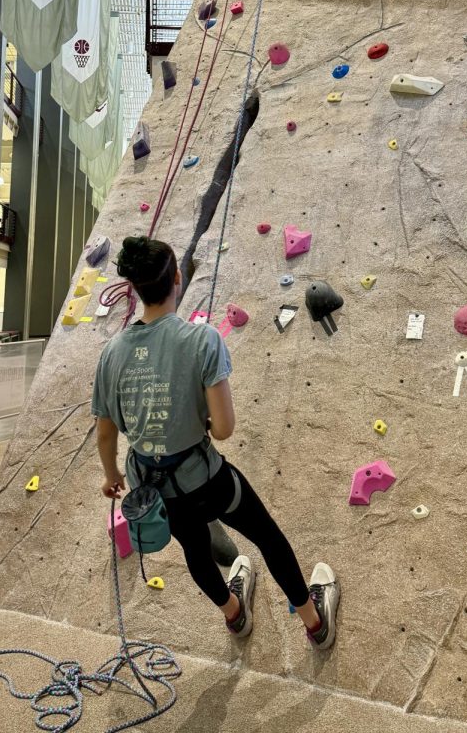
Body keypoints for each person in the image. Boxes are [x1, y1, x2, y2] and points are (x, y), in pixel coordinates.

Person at [91, 235, 341, 648]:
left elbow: (105, 432)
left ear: (134, 288)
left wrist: (110, 475)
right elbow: (224, 428)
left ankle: (234, 614)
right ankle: (315, 623)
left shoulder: (111, 353)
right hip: (203, 477)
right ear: (176, 280)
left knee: (195, 547)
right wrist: (200, 417)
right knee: (267, 536)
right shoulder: (202, 339)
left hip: (149, 484)